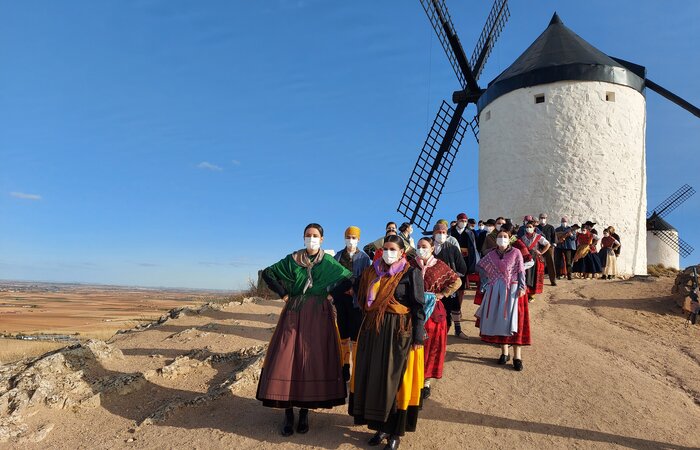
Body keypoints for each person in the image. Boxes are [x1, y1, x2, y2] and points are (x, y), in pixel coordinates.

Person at [258, 223, 352, 436]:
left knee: (311, 361)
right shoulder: (292, 260)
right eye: (308, 235)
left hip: (319, 315)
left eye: (315, 235)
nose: (312, 238)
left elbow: (348, 279)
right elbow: (268, 273)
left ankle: (304, 414)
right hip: (294, 312)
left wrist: (331, 295)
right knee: (286, 358)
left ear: (322, 239)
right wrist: (283, 294)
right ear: (303, 238)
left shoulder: (327, 262)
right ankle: (288, 413)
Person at [349, 235, 426, 450]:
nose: (388, 252)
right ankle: (380, 428)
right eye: (385, 248)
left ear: (402, 252)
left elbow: (419, 307)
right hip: (373, 330)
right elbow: (358, 289)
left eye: (393, 249)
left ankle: (394, 433)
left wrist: (418, 336)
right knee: (375, 378)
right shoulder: (372, 272)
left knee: (395, 381)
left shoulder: (412, 273)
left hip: (398, 331)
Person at [410, 237, 461, 399]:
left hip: (433, 311)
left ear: (432, 248)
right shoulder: (410, 264)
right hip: (412, 308)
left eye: (424, 246)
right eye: (418, 246)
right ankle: (412, 376)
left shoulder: (440, 266)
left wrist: (443, 294)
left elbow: (457, 281)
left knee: (432, 345)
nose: (420, 249)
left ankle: (426, 381)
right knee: (413, 343)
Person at [475, 226, 529, 371]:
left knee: (514, 323)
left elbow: (521, 270)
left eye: (505, 236)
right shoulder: (491, 254)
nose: (502, 239)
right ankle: (504, 353)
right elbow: (480, 266)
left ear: (510, 238)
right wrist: (487, 280)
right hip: (496, 291)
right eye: (500, 236)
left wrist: (522, 287)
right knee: (500, 320)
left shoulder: (516, 252)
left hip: (514, 291)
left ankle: (517, 356)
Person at [333, 226, 372, 381]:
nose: (351, 240)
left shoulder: (364, 258)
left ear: (359, 239)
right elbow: (333, 277)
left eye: (354, 237)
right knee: (343, 333)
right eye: (348, 237)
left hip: (356, 302)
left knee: (356, 335)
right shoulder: (337, 256)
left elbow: (366, 279)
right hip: (341, 300)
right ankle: (344, 365)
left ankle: (356, 366)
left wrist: (355, 291)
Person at [433, 222, 468, 338]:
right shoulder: (428, 247)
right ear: (434, 234)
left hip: (448, 285)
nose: (441, 235)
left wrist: (452, 278)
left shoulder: (452, 248)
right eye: (438, 232)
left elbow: (462, 267)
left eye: (443, 232)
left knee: (452, 308)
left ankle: (457, 330)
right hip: (432, 287)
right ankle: (437, 333)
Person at [520, 220, 551, 302]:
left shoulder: (538, 237)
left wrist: (541, 252)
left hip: (535, 259)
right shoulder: (523, 237)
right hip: (526, 258)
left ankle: (532, 295)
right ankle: (525, 293)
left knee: (533, 276)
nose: (528, 228)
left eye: (530, 227)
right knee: (525, 276)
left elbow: (548, 244)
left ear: (534, 228)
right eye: (527, 227)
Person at [537, 213, 557, 286]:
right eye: (541, 217)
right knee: (539, 264)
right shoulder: (537, 228)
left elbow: (554, 237)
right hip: (539, 248)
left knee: (550, 263)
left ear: (546, 218)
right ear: (539, 218)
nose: (543, 219)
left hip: (549, 247)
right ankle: (539, 281)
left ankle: (553, 280)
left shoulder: (550, 227)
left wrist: (553, 244)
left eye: (544, 218)